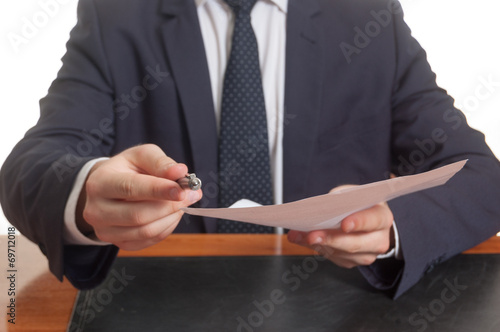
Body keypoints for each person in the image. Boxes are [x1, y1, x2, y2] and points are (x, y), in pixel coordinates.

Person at [1, 0, 499, 299]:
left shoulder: (367, 16)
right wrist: (86, 193)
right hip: (162, 306)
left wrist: (393, 227)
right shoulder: (118, 16)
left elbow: (480, 179)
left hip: (337, 303)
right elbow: (30, 166)